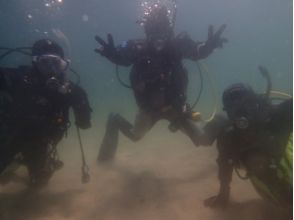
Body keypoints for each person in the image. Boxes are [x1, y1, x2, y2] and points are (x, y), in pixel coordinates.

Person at [94, 4, 227, 161]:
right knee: (135, 136)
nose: (158, 41)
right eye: (153, 34)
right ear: (147, 32)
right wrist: (112, 54)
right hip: (149, 110)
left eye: (162, 34)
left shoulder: (178, 45)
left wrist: (208, 46)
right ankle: (115, 119)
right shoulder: (138, 47)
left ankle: (223, 120)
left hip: (177, 107)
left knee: (203, 139)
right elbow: (122, 57)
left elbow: (197, 50)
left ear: (169, 32)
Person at [0, 39, 92, 187]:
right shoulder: (18, 78)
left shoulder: (71, 92)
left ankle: (16, 170)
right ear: (34, 63)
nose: (51, 69)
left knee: (38, 184)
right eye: (45, 63)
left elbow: (84, 124)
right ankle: (11, 164)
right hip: (9, 138)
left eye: (56, 63)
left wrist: (79, 100)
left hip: (41, 144)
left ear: (64, 65)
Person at [199, 69, 292, 212]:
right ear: (228, 112)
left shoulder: (274, 116)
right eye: (233, 107)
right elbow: (225, 162)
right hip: (270, 185)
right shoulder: (229, 136)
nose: (241, 111)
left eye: (245, 103)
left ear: (256, 103)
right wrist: (223, 195)